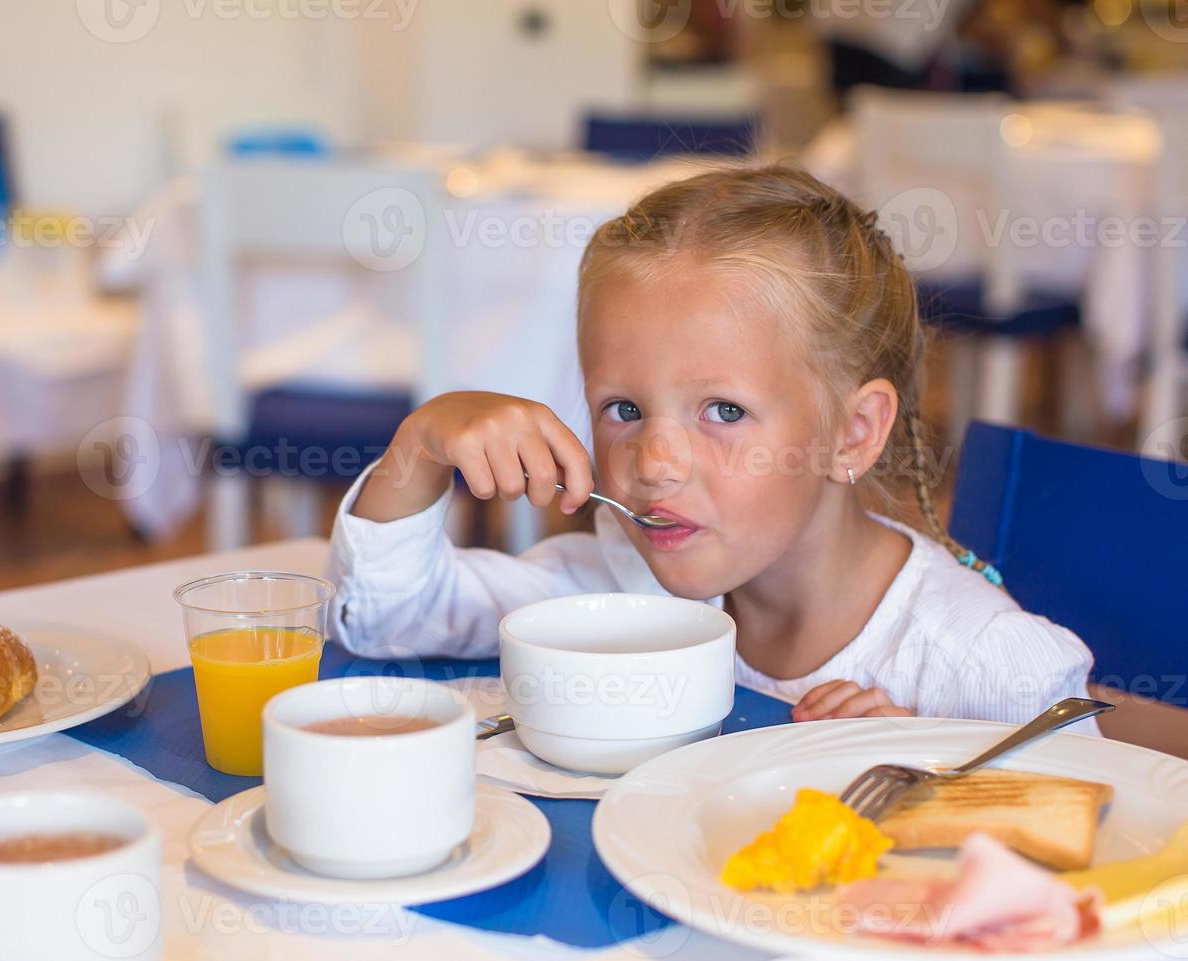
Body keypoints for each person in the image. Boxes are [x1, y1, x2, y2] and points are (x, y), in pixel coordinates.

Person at [325, 165, 1096, 727]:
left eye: (723, 411)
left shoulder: (978, 664)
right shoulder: (621, 582)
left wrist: (930, 786)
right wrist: (422, 446)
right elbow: (387, 618)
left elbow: (1106, 867)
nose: (655, 463)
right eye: (623, 407)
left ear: (852, 433)